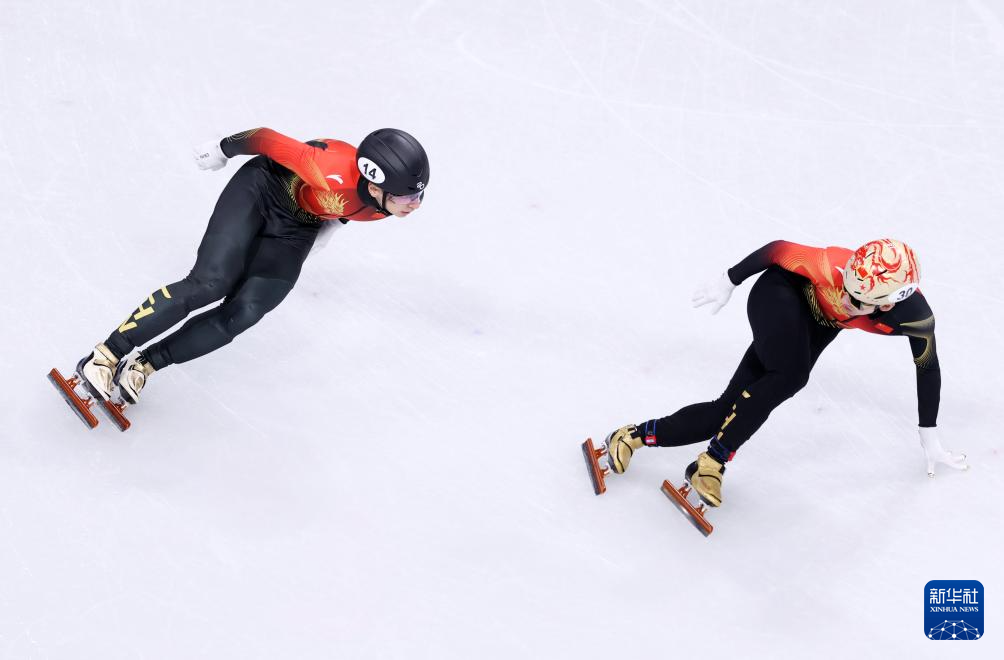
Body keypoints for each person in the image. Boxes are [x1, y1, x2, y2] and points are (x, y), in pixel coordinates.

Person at [73, 127, 430, 405]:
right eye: (407, 196)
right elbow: (265, 138)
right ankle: (105, 356)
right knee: (211, 283)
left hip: (298, 228)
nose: (414, 204)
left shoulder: (387, 206)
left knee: (246, 311)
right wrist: (221, 149)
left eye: (419, 194)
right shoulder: (327, 166)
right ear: (374, 184)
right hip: (262, 190)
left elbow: (348, 209)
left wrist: (330, 229)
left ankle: (145, 365)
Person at [602, 238, 967, 507]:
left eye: (857, 301)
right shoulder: (829, 265)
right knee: (792, 375)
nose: (844, 299)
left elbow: (928, 367)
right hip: (779, 294)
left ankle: (631, 437)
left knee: (724, 412)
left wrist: (929, 434)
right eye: (846, 286)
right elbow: (776, 250)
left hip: (813, 328)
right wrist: (728, 280)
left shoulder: (915, 319)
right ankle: (713, 461)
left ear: (887, 305)